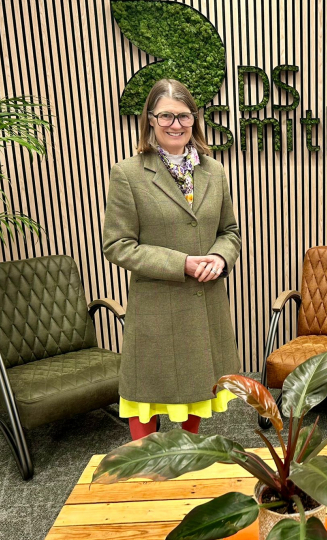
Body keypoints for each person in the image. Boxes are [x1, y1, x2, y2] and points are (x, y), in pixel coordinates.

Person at [103, 79, 241, 441]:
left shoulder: (214, 171)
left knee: (196, 396)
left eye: (184, 116)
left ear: (195, 119)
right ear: (150, 119)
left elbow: (230, 232)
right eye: (166, 115)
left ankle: (187, 466)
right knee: (145, 398)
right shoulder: (128, 174)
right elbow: (117, 244)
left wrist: (220, 258)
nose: (175, 124)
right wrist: (182, 263)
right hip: (156, 310)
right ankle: (147, 480)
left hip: (204, 308)